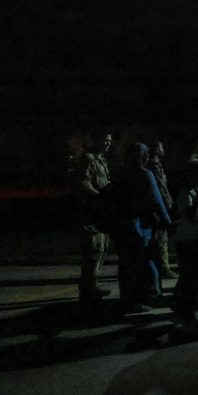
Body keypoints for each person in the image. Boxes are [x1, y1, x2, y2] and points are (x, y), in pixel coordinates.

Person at [111, 142, 175, 313]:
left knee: (126, 264)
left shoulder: (120, 174)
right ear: (144, 157)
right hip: (140, 227)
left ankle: (128, 298)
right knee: (140, 263)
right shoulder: (145, 175)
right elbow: (157, 202)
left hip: (120, 226)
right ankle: (137, 300)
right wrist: (168, 222)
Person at [76, 130, 113, 306]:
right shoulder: (88, 159)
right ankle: (87, 292)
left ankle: (93, 285)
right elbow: (83, 183)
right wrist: (99, 195)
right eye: (105, 140)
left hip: (101, 214)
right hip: (90, 213)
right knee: (92, 251)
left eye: (109, 140)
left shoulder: (101, 160)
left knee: (102, 249)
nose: (108, 143)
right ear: (96, 139)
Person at [172, 160, 198, 321]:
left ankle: (190, 300)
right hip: (187, 240)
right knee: (190, 274)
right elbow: (191, 217)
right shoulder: (187, 193)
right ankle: (182, 303)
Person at [148, 140, 177, 279]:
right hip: (160, 208)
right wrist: (168, 205)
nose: (163, 149)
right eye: (161, 147)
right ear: (156, 150)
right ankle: (164, 268)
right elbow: (161, 188)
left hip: (161, 206)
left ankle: (161, 267)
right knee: (161, 239)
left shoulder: (155, 165)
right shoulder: (154, 165)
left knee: (161, 238)